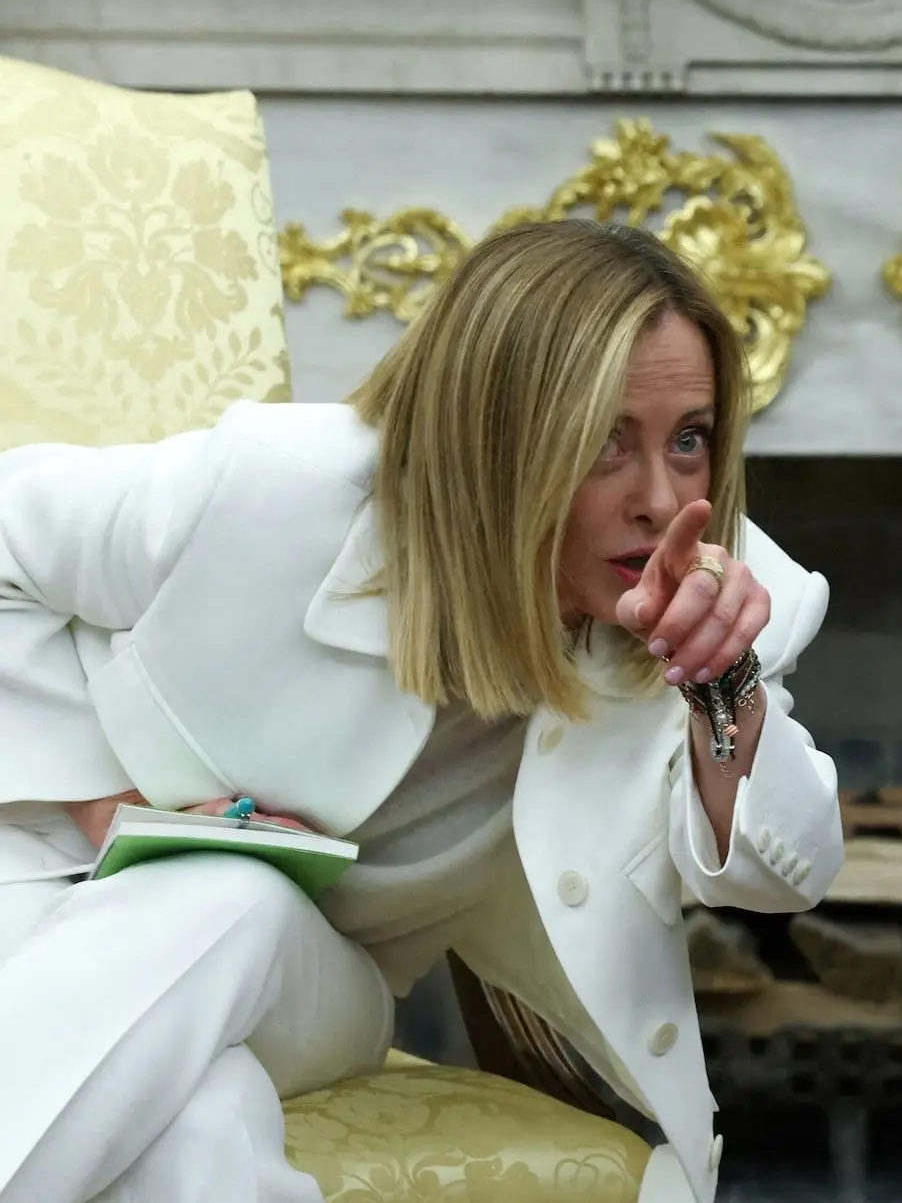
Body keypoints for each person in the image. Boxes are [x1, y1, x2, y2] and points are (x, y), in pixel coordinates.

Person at [0, 219, 844, 1203]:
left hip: (316, 984)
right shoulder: (282, 488)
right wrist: (104, 802)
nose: (661, 499)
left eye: (688, 439)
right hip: (37, 900)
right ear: (496, 437)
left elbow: (782, 874)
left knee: (233, 895)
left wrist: (721, 684)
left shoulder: (724, 599)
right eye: (605, 443)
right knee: (200, 1129)